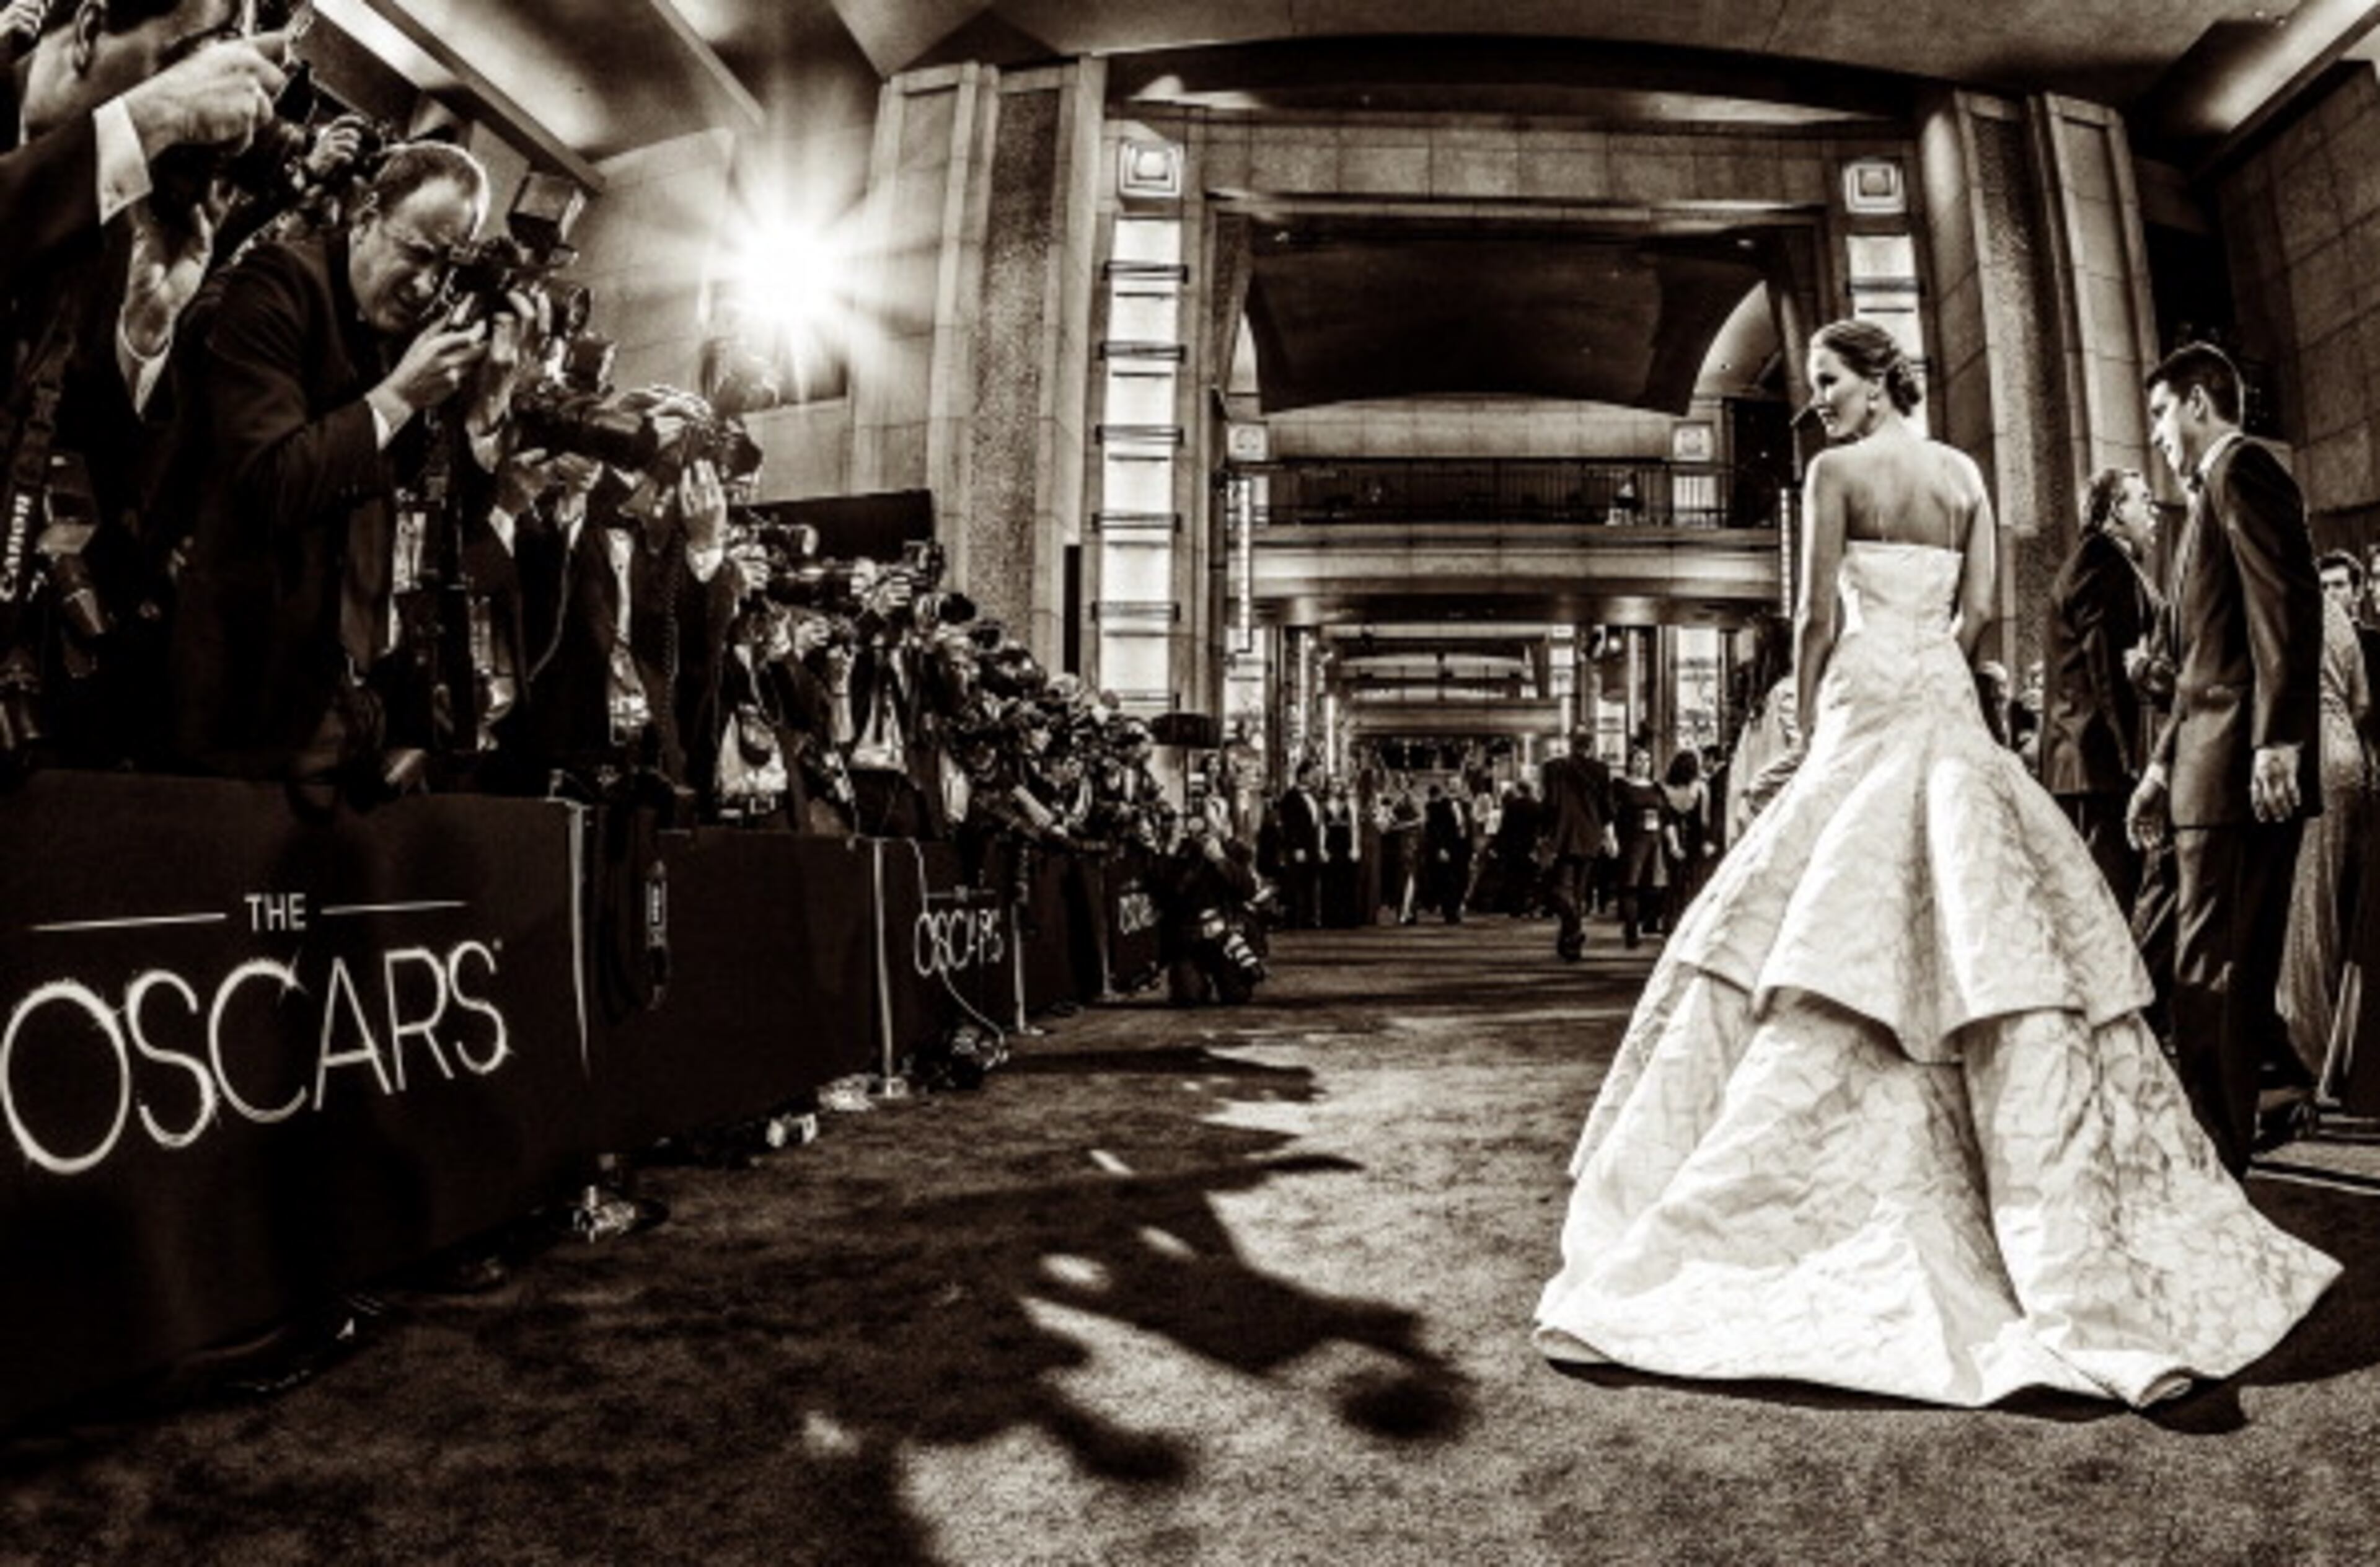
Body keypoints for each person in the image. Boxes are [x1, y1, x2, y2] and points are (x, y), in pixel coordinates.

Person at [1536, 320, 2336, 1409]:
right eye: (1814, 387)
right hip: (1944, 710)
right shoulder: (1963, 476)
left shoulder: (1836, 473)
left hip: (1867, 701)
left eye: (1830, 382)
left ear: (1876, 381)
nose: (1819, 403)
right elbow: (1982, 618)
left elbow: (1814, 613)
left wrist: (1809, 730)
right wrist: (1936, 675)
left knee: (1816, 923)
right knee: (1992, 928)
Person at [167, 141, 507, 782]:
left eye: (448, 268)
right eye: (418, 254)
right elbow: (273, 480)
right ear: (366, 215)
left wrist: (488, 411)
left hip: (346, 712)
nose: (427, 286)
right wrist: (400, 395)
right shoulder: (275, 285)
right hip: (241, 705)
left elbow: (446, 518)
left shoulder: (403, 339)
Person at [2128, 342, 2327, 1174]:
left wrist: (2280, 738)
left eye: (2163, 415)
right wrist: (2162, 768)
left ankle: (2217, 1150)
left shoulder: (2244, 472)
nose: (2159, 438)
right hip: (2200, 776)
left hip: (2241, 779)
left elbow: (2287, 603)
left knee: (2221, 975)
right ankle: (2217, 1132)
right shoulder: (2206, 499)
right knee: (2193, 968)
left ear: (2201, 403)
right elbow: (2209, 655)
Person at [2038, 466, 2160, 907]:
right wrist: (2135, 762)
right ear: (2114, 512)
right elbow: (2108, 672)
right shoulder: (2103, 564)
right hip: (2099, 768)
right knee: (2108, 908)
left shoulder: (2102, 561)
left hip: (2089, 765)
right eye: (2143, 500)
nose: (2155, 511)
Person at [2277, 551, 2370, 1093]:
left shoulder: (2290, 613)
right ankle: (2346, 1044)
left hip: (2311, 759)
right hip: (2350, 761)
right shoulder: (2341, 623)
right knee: (2346, 901)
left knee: (2310, 906)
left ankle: (2312, 1046)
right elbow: (2362, 701)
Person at [1538, 731, 1613, 961]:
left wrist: (1544, 833)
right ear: (1591, 746)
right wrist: (1609, 836)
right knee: (1579, 892)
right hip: (1590, 834)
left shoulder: (1554, 768)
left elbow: (1550, 803)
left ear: (1571, 745)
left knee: (1561, 889)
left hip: (1563, 834)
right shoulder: (1601, 770)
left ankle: (1573, 933)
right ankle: (1572, 940)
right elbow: (1607, 807)